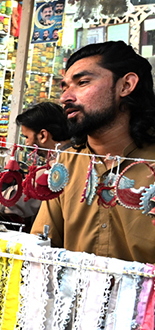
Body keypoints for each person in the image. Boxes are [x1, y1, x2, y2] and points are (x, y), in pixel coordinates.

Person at [32, 41, 155, 263]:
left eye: (82, 82)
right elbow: (42, 247)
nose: (65, 97)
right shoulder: (66, 164)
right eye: (65, 87)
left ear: (126, 85)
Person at [0, 102, 70, 220]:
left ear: (43, 135)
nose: (27, 143)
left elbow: (6, 204)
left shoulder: (56, 169)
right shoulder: (76, 155)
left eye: (27, 137)